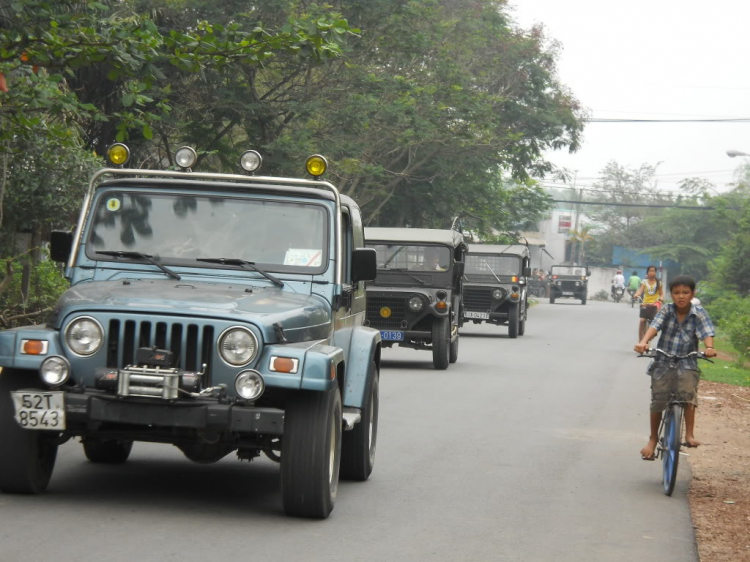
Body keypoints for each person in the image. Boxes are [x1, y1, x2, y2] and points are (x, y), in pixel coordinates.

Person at [634, 275, 717, 460]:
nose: (681, 296)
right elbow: (654, 326)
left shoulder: (699, 312)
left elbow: (706, 331)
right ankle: (653, 439)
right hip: (663, 361)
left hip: (688, 361)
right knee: (658, 400)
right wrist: (643, 341)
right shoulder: (666, 311)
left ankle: (689, 434)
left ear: (692, 294)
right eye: (677, 292)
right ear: (671, 294)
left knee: (688, 395)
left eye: (685, 292)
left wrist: (709, 347)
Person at [634, 265, 664, 340]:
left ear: (655, 272)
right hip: (646, 303)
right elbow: (640, 290)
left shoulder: (659, 283)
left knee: (654, 319)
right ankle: (640, 340)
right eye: (649, 271)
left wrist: (661, 299)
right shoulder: (644, 282)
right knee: (642, 320)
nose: (651, 273)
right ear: (647, 273)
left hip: (655, 303)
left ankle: (653, 331)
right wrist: (637, 294)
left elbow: (661, 294)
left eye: (653, 271)